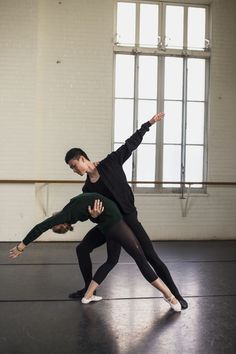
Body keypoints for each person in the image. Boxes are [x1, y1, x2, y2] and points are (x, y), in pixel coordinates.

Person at [65, 113, 188, 309]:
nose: (74, 170)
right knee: (83, 249)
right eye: (72, 169)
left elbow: (131, 143)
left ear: (82, 159)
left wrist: (149, 123)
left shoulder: (111, 162)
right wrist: (94, 217)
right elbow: (93, 214)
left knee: (150, 256)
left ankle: (176, 295)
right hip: (110, 225)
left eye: (74, 166)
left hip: (128, 220)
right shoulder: (87, 189)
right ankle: (89, 288)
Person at [9, 193, 181, 312]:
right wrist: (21, 246)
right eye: (59, 226)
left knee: (111, 260)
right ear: (62, 224)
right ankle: (170, 297)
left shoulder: (70, 207)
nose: (55, 221)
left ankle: (88, 294)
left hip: (107, 225)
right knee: (141, 259)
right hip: (115, 223)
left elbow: (91, 202)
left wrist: (95, 215)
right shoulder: (64, 215)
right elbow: (40, 227)